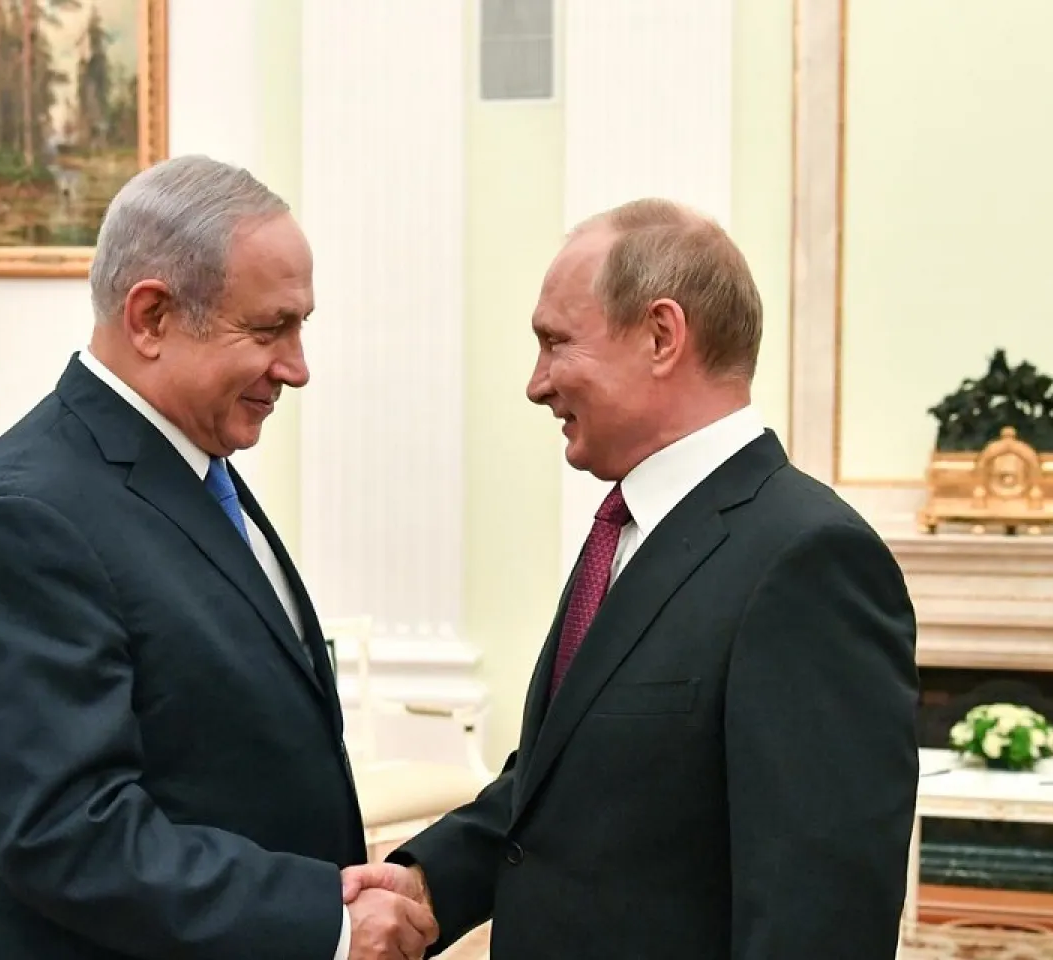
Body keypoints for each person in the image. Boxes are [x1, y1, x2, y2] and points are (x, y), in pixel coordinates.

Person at [344, 198, 920, 958]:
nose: (536, 383)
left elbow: (820, 919)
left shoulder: (808, 560)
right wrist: (427, 880)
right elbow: (564, 784)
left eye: (555, 343)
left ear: (661, 336)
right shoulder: (628, 529)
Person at [0, 155, 437, 960]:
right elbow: (66, 832)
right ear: (152, 317)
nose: (297, 368)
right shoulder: (26, 518)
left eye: (301, 326)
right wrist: (323, 919)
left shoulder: (194, 466)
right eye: (269, 330)